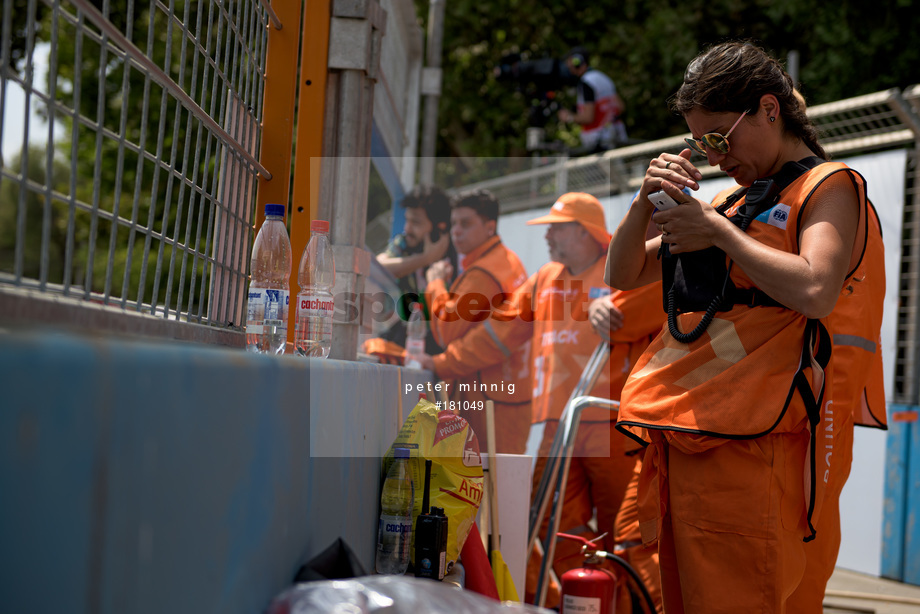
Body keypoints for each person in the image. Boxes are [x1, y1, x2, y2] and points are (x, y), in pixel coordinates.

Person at [605, 41, 881, 613]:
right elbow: (623, 271)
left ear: (768, 109)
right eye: (700, 143)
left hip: (767, 443)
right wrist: (643, 202)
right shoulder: (735, 202)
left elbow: (814, 287)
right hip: (697, 432)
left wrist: (719, 233)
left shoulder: (829, 186)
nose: (713, 156)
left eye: (719, 137)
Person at [420, 192, 664, 606]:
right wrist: (441, 365)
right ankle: (589, 596)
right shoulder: (545, 278)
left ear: (586, 232)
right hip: (558, 425)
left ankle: (622, 602)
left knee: (627, 534)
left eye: (558, 227)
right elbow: (496, 336)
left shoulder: (626, 272)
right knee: (552, 523)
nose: (548, 236)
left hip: (614, 424)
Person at [423, 189, 532, 453]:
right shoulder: (506, 260)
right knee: (502, 484)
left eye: (466, 223)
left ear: (489, 226)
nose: (456, 231)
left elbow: (446, 329)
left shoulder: (484, 272)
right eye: (453, 224)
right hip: (506, 395)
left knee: (484, 485)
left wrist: (435, 283)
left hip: (486, 398)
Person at [375, 185, 453, 353]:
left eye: (416, 222)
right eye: (407, 220)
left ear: (439, 227)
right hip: (408, 333)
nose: (407, 228)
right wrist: (424, 259)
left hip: (443, 340)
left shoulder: (456, 253)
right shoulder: (405, 243)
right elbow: (378, 267)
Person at [557, 47, 626, 153]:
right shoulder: (602, 77)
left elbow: (589, 117)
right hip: (616, 134)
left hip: (600, 141)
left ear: (577, 62)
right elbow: (620, 107)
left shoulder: (586, 83)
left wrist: (568, 117)